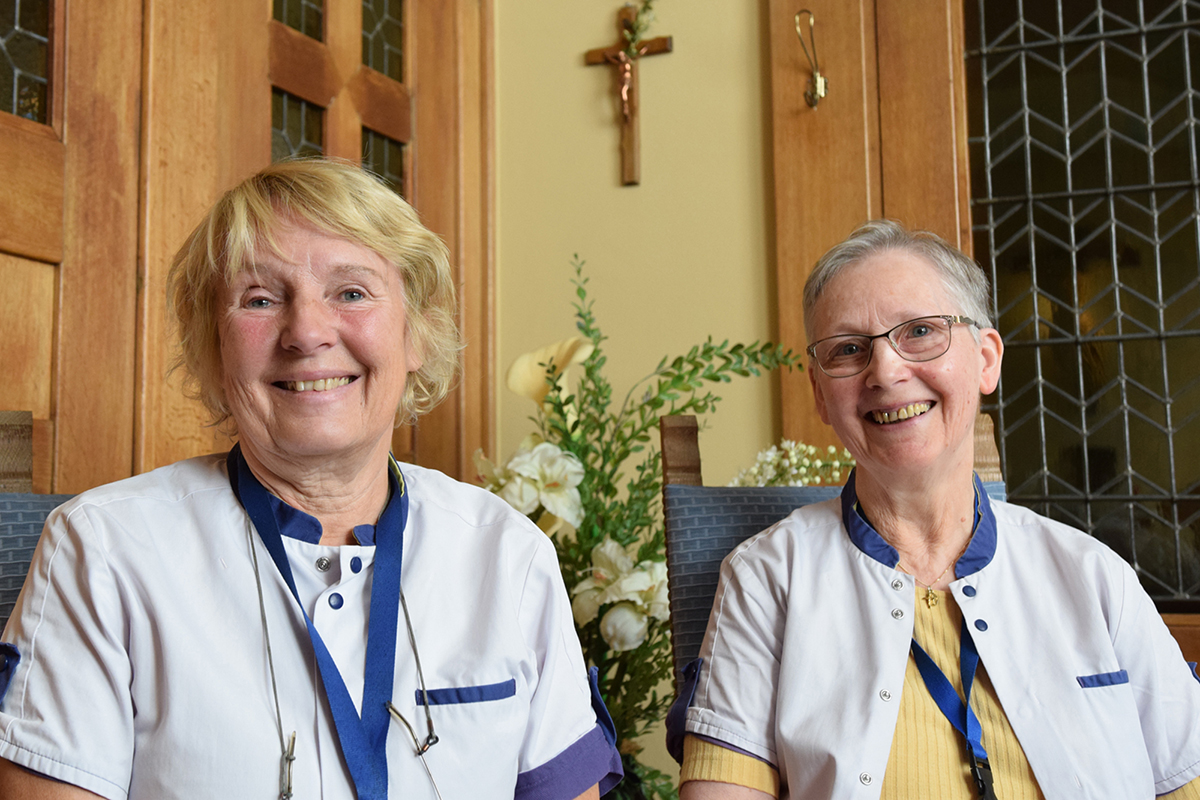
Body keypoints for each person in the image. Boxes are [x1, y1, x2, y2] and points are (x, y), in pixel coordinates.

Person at [0, 159, 622, 800]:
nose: (306, 333)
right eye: (261, 300)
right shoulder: (102, 550)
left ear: (417, 333)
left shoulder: (509, 554)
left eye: (351, 292)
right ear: (215, 348)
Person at [670, 220, 1200, 799]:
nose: (886, 372)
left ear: (986, 359)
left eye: (920, 331)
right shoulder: (767, 579)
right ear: (821, 394)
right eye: (848, 349)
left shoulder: (1093, 576)